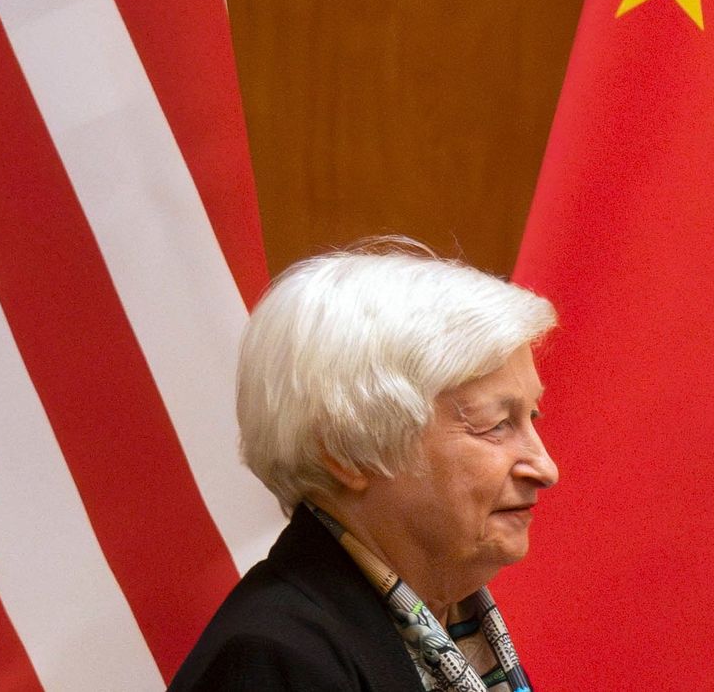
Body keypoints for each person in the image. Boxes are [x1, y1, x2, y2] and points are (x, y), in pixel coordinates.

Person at [169, 238, 559, 692]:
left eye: (531, 417)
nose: (546, 468)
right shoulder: (275, 664)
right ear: (346, 450)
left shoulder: (452, 622)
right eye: (496, 425)